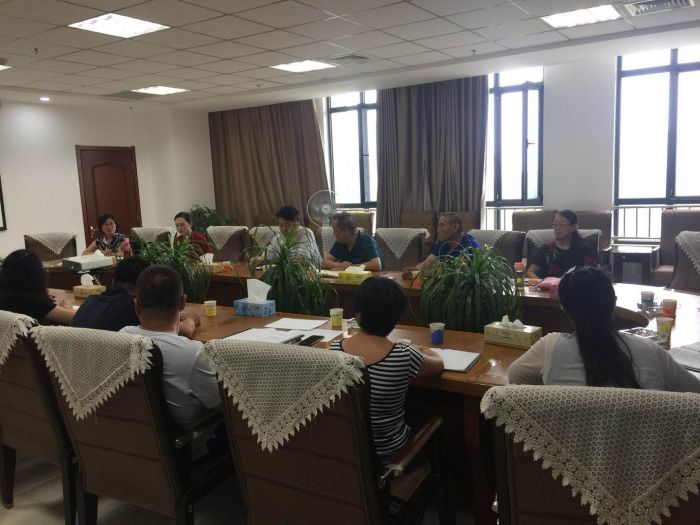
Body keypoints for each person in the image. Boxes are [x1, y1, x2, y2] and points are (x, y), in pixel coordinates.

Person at [508, 266, 700, 392]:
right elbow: (695, 389)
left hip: (568, 444)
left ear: (563, 308)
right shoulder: (650, 350)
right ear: (613, 303)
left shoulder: (549, 347)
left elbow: (515, 377)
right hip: (645, 445)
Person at [330, 277, 444, 463]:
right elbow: (438, 364)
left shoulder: (333, 351)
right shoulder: (404, 354)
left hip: (348, 455)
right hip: (393, 456)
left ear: (358, 315)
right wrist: (420, 348)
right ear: (395, 319)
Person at [120, 265, 219, 445]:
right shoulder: (193, 355)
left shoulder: (121, 337)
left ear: (136, 305)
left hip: (131, 443)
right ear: (182, 303)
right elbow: (224, 405)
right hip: (188, 447)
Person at [0, 249, 75, 324]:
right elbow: (75, 318)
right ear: (35, 274)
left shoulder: (6, 294)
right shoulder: (31, 301)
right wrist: (67, 307)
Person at [526, 209, 596, 279]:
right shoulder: (546, 249)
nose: (557, 228)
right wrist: (542, 283)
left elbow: (592, 275)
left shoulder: (585, 250)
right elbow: (530, 272)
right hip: (549, 285)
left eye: (562, 224)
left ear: (573, 227)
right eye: (555, 224)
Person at [403, 212, 481, 275]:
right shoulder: (443, 242)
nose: (438, 230)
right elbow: (428, 263)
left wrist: (418, 273)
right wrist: (415, 269)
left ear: (455, 227)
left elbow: (454, 273)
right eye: (438, 226)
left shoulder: (471, 246)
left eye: (442, 226)